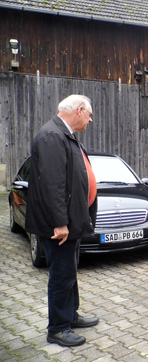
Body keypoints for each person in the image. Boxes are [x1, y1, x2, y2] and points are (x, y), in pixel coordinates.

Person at [25, 95, 98, 347]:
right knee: (61, 275)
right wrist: (60, 222)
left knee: (70, 272)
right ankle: (57, 328)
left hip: (72, 221)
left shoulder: (65, 134)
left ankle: (71, 316)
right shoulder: (52, 136)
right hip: (59, 227)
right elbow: (52, 184)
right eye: (89, 114)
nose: (90, 120)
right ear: (79, 111)